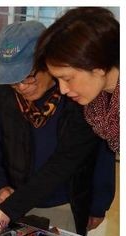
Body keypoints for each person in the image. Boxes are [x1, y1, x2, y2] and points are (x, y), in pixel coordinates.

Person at [0, 21, 115, 236]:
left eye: (28, 76)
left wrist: (99, 204)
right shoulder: (4, 97)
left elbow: (82, 157)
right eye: (13, 81)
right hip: (15, 202)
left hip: (63, 205)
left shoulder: (81, 97)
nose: (21, 87)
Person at [34, 7, 119, 154]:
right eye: (57, 79)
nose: (63, 90)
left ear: (98, 66)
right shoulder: (97, 109)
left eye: (67, 78)